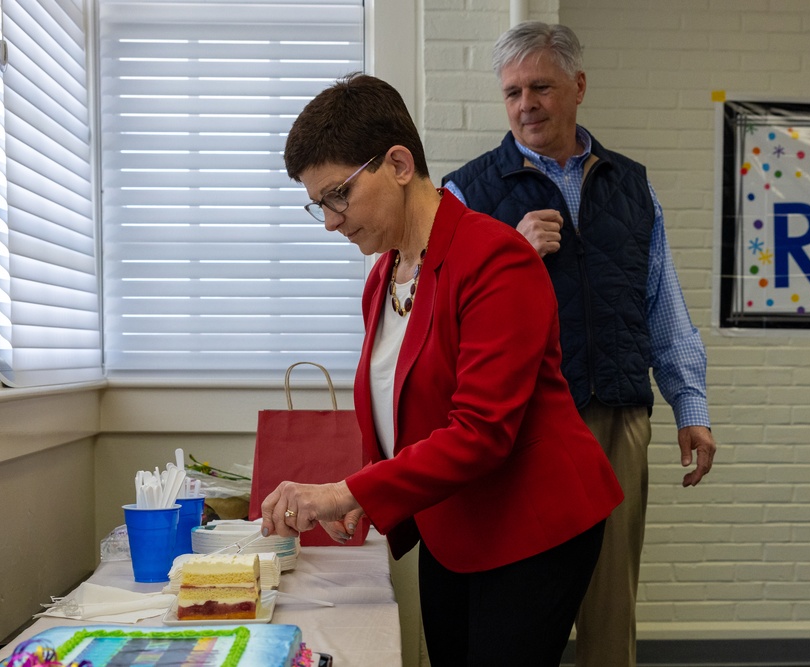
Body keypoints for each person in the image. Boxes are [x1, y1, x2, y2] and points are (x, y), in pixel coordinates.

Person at [259, 72, 624, 666]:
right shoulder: (384, 275)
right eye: (318, 203)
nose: (329, 220)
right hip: (454, 524)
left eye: (338, 195)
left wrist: (344, 490)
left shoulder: (496, 258)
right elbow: (405, 406)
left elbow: (480, 431)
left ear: (399, 164)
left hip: (533, 526)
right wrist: (366, 492)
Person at [442, 21, 718, 667]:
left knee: (609, 607)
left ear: (579, 87)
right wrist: (509, 253)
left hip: (616, 417)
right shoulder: (465, 193)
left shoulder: (632, 185)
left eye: (540, 86)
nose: (525, 104)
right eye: (511, 92)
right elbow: (443, 318)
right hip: (516, 425)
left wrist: (692, 406)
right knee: (514, 601)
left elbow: (663, 304)